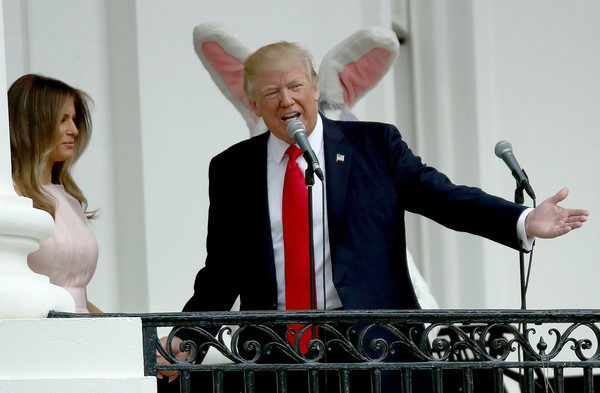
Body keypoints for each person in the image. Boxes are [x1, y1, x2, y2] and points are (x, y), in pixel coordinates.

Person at [158, 42, 589, 391]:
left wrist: (522, 219)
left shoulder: (374, 145)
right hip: (275, 358)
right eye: (271, 92)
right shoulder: (233, 168)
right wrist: (186, 339)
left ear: (313, 88)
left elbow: (443, 197)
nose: (286, 100)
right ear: (253, 104)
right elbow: (221, 273)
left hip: (376, 354)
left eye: (294, 86)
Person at [8, 74, 101, 314]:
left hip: (77, 332)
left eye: (74, 119)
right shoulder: (10, 198)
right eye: (63, 120)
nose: (75, 130)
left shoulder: (70, 200)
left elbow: (78, 296)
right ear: (34, 124)